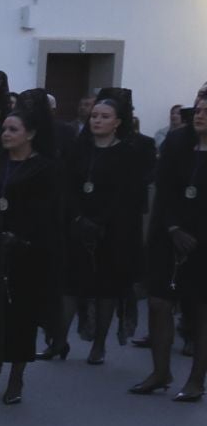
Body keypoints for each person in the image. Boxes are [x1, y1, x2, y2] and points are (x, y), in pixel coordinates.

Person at [60, 89, 147, 364]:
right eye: (94, 115)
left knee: (106, 289)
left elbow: (126, 194)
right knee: (70, 285)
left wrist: (100, 222)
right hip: (77, 225)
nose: (97, 120)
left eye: (104, 116)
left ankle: (99, 345)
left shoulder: (128, 153)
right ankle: (58, 341)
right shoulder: (78, 148)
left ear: (118, 122)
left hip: (111, 232)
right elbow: (66, 186)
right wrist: (77, 217)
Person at [0, 91, 64, 404]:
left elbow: (49, 214)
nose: (6, 135)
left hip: (27, 253)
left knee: (20, 317)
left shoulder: (45, 168)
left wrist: (20, 238)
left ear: (31, 134)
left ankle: (16, 376)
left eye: (13, 130)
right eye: (4, 129)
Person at [135, 88, 207, 401]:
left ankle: (196, 379)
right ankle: (160, 370)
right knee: (158, 302)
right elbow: (162, 188)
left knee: (202, 309)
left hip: (203, 240)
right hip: (169, 232)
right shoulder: (178, 141)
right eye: (199, 109)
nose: (200, 115)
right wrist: (173, 227)